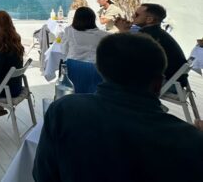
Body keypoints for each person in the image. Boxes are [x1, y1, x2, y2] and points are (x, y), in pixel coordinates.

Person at [33, 33, 203, 182]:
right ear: (158, 84)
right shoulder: (188, 140)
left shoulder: (64, 110)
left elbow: (42, 175)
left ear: (99, 71)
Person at [115, 3, 188, 87]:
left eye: (136, 15)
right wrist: (126, 31)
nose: (132, 16)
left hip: (168, 84)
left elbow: (127, 55)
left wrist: (123, 31)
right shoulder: (156, 32)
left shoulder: (150, 35)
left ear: (149, 19)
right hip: (174, 80)